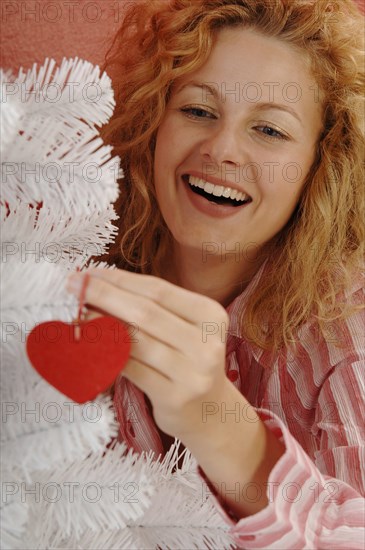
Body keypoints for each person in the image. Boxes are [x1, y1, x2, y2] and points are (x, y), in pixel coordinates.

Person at [66, 0, 364, 547]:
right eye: (199, 111)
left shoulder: (349, 334)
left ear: (322, 166)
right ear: (153, 121)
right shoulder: (73, 262)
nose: (222, 150)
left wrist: (217, 419)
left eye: (270, 131)